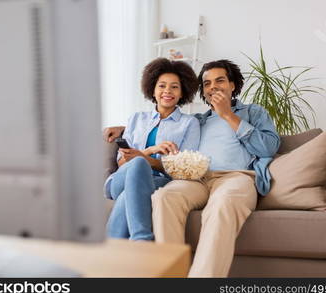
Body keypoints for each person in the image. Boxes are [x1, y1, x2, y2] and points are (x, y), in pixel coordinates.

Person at [104, 59, 280, 277]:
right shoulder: (198, 121)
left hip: (236, 177)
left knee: (222, 206)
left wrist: (227, 114)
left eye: (220, 81)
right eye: (207, 83)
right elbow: (164, 119)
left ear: (233, 85)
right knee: (163, 198)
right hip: (197, 179)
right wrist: (122, 129)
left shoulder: (253, 112)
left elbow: (269, 148)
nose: (213, 87)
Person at [104, 57, 200, 241]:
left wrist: (147, 159)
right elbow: (122, 162)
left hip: (158, 181)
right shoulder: (136, 119)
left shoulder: (189, 123)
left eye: (174, 87)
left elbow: (183, 169)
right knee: (138, 164)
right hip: (120, 180)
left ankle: (135, 242)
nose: (167, 91)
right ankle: (142, 240)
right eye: (162, 86)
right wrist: (148, 152)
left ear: (182, 93)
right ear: (153, 89)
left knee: (128, 195)